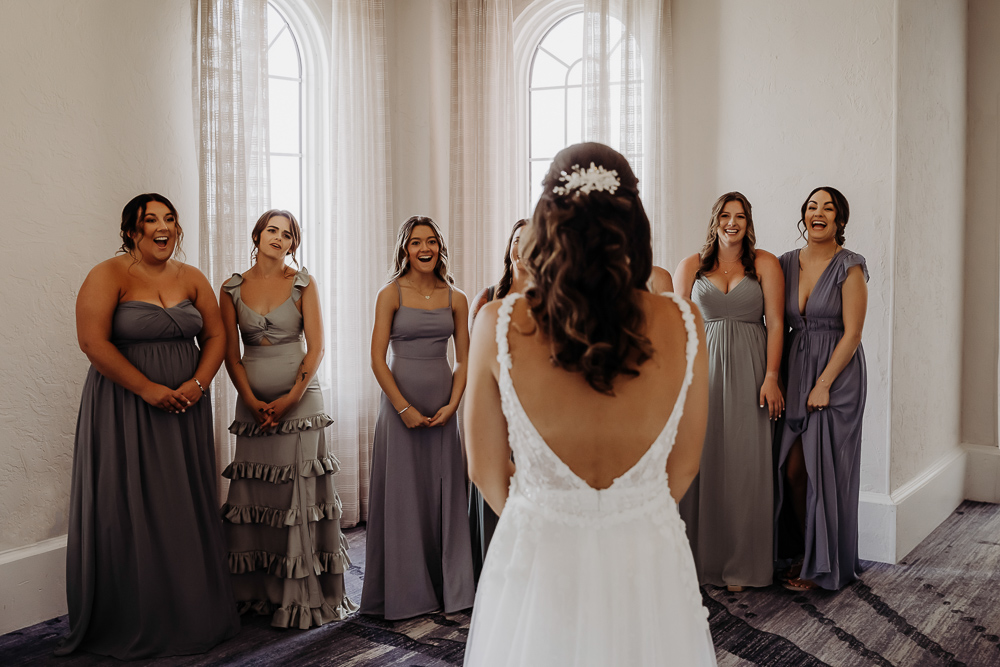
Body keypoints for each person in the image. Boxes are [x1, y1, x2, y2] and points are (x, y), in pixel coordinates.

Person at [463, 143, 715, 666]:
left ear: (545, 221)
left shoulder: (498, 323)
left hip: (540, 558)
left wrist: (550, 518)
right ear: (635, 222)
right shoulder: (686, 322)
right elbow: (684, 467)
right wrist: (627, 516)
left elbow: (485, 470)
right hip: (647, 559)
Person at [58, 194, 239, 659]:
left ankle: (191, 610)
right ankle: (133, 614)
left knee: (182, 502)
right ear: (130, 232)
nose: (163, 227)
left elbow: (217, 334)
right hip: (125, 406)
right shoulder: (108, 274)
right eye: (150, 220)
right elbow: (91, 341)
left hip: (186, 405)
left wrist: (199, 384)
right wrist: (146, 389)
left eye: (169, 219)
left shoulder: (192, 277)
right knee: (129, 502)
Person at [219, 210, 355, 628]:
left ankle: (301, 600)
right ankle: (258, 595)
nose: (279, 238)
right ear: (257, 235)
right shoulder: (230, 288)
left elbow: (316, 349)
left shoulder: (303, 284)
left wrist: (291, 398)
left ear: (294, 243)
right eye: (272, 231)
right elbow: (229, 352)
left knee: (297, 498)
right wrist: (252, 399)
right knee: (258, 498)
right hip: (252, 405)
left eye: (288, 234)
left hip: (302, 404)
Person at [361, 216, 475, 619]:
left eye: (430, 242)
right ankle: (406, 593)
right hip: (399, 406)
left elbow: (464, 360)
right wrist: (403, 408)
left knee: (443, 494)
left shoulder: (456, 298)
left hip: (444, 405)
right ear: (404, 249)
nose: (423, 249)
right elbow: (376, 359)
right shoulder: (390, 294)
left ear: (440, 247)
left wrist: (454, 404)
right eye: (415, 242)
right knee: (405, 495)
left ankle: (451, 587)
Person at [674, 192, 785, 592]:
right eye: (725, 215)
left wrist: (772, 376)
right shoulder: (690, 266)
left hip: (752, 369)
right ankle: (701, 563)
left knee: (745, 463)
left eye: (739, 216)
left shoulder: (765, 264)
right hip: (702, 372)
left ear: (748, 222)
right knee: (703, 458)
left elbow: (774, 321)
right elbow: (676, 326)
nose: (732, 222)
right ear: (715, 220)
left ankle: (742, 565)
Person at [774, 186, 868, 592]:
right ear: (804, 216)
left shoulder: (851, 266)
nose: (819, 212)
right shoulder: (784, 263)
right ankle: (807, 552)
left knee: (825, 470)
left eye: (828, 208)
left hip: (837, 374)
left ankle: (823, 567)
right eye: (812, 206)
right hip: (795, 369)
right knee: (792, 469)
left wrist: (824, 384)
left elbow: (853, 333)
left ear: (840, 221)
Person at [467, 218, 528, 581]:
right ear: (509, 248)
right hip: (494, 406)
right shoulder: (487, 300)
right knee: (491, 476)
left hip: (533, 412)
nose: (521, 248)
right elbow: (476, 361)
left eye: (530, 241)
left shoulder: (553, 303)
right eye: (516, 240)